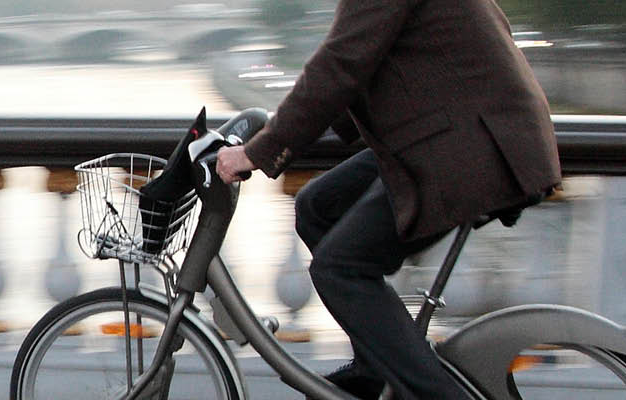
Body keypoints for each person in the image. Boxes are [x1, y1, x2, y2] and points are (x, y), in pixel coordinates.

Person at [215, 0, 561, 399]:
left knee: (339, 269)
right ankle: (374, 364)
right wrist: (290, 125)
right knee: (317, 206)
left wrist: (257, 152)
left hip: (472, 147)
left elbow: (341, 64)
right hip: (461, 133)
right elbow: (358, 64)